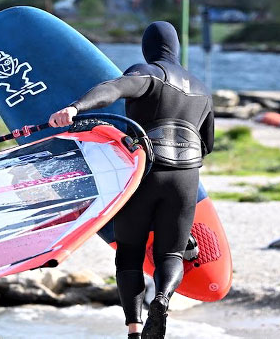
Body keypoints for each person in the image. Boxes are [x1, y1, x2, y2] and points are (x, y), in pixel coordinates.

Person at [49, 21, 214, 339]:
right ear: (176, 47)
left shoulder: (148, 72)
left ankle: (134, 330)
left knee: (129, 254)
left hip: (145, 171)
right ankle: (162, 299)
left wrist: (75, 107)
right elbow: (207, 144)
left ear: (148, 47)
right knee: (171, 254)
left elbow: (113, 89)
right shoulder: (202, 89)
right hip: (186, 179)